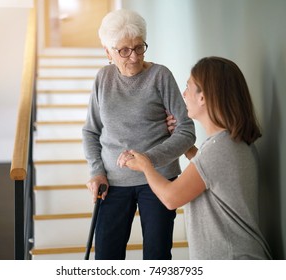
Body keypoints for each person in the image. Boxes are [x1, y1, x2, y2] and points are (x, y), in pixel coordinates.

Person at [121, 56, 273, 259]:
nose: (183, 94)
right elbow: (209, 175)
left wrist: (146, 165)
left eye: (188, 87)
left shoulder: (219, 149)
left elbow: (170, 198)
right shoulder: (230, 143)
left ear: (203, 97)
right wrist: (187, 148)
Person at [82, 9, 196, 260]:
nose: (133, 57)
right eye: (124, 50)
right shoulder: (103, 79)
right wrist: (96, 171)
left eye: (139, 48)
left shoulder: (160, 76)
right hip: (112, 183)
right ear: (108, 52)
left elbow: (186, 131)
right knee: (106, 258)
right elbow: (91, 131)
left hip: (158, 180)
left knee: (157, 257)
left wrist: (147, 161)